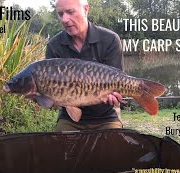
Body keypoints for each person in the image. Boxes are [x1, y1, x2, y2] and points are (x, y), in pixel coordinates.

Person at [46, 0, 124, 131]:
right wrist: (42, 97)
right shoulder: (54, 46)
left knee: (113, 147)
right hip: (69, 117)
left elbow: (117, 82)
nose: (65, 19)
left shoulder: (110, 39)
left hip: (105, 116)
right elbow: (50, 97)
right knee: (61, 148)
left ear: (86, 9)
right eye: (60, 14)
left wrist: (115, 95)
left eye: (70, 12)